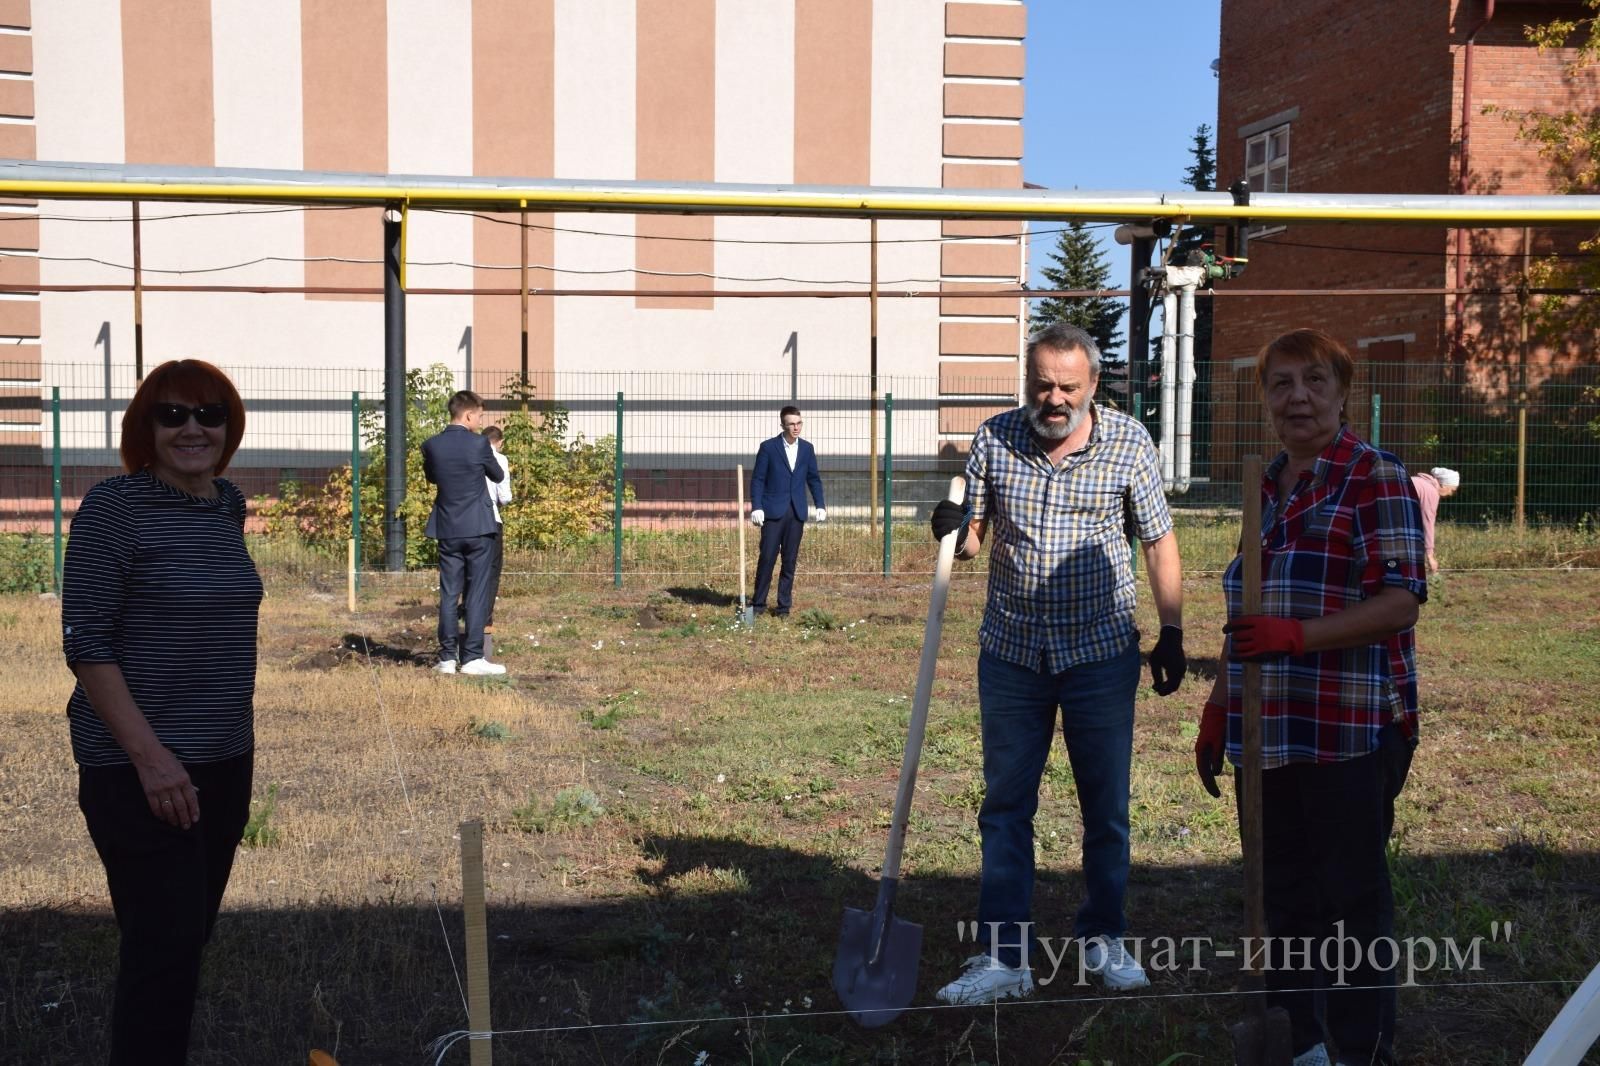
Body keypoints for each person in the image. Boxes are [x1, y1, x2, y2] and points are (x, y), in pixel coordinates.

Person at [930, 322, 1188, 1005]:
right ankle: (1005, 956)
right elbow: (975, 535)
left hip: (1099, 653)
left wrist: (1171, 629)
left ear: (1093, 384)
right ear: (1028, 382)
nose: (1054, 399)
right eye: (1042, 384)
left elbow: (1158, 541)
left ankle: (1103, 936)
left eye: (1069, 387)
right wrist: (954, 533)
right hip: (1013, 654)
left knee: (1106, 807)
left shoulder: (1129, 442)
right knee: (1005, 805)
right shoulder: (995, 438)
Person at [1193, 328, 1426, 1066]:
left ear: (1343, 392)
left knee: (1351, 897)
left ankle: (1361, 1049)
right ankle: (1300, 1042)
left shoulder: (1374, 477)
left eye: (1314, 381)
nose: (1298, 397)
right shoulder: (1263, 485)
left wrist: (1297, 636)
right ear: (1264, 398)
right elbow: (1246, 615)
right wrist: (1220, 706)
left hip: (1349, 726)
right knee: (1283, 891)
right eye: (1281, 383)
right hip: (1268, 729)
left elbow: (1401, 602)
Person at [61, 359, 264, 1064]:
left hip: (225, 758)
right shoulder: (113, 508)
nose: (193, 428)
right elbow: (87, 644)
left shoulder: (227, 504)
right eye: (172, 414)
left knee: (186, 940)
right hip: (139, 768)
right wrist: (153, 762)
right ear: (144, 428)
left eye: (210, 414)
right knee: (163, 951)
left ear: (230, 426)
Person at [422, 390, 506, 676]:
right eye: (479, 416)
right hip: (479, 528)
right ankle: (471, 658)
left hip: (447, 528)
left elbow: (432, 477)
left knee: (449, 593)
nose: (480, 422)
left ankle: (447, 658)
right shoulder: (479, 443)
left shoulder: (431, 445)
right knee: (477, 592)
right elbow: (497, 475)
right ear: (468, 415)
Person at [748, 405, 826, 618]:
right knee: (767, 558)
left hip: (796, 512)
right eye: (791, 424)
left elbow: (813, 479)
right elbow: (758, 479)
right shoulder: (768, 447)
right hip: (773, 512)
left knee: (789, 561)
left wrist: (820, 504)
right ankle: (758, 605)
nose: (796, 427)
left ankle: (783, 607)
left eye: (799, 423)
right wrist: (757, 507)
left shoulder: (807, 449)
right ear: (783, 425)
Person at [481, 423, 513, 635]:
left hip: (466, 520)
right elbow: (505, 497)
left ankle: (467, 610)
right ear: (500, 442)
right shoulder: (500, 459)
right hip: (491, 518)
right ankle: (485, 620)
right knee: (492, 571)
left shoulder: (469, 455)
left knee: (471, 569)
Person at [1410, 466, 1460, 573]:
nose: (1450, 494)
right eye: (1452, 490)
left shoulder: (1420, 482)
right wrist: (1430, 556)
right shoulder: (1431, 492)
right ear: (1444, 484)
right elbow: (1428, 523)